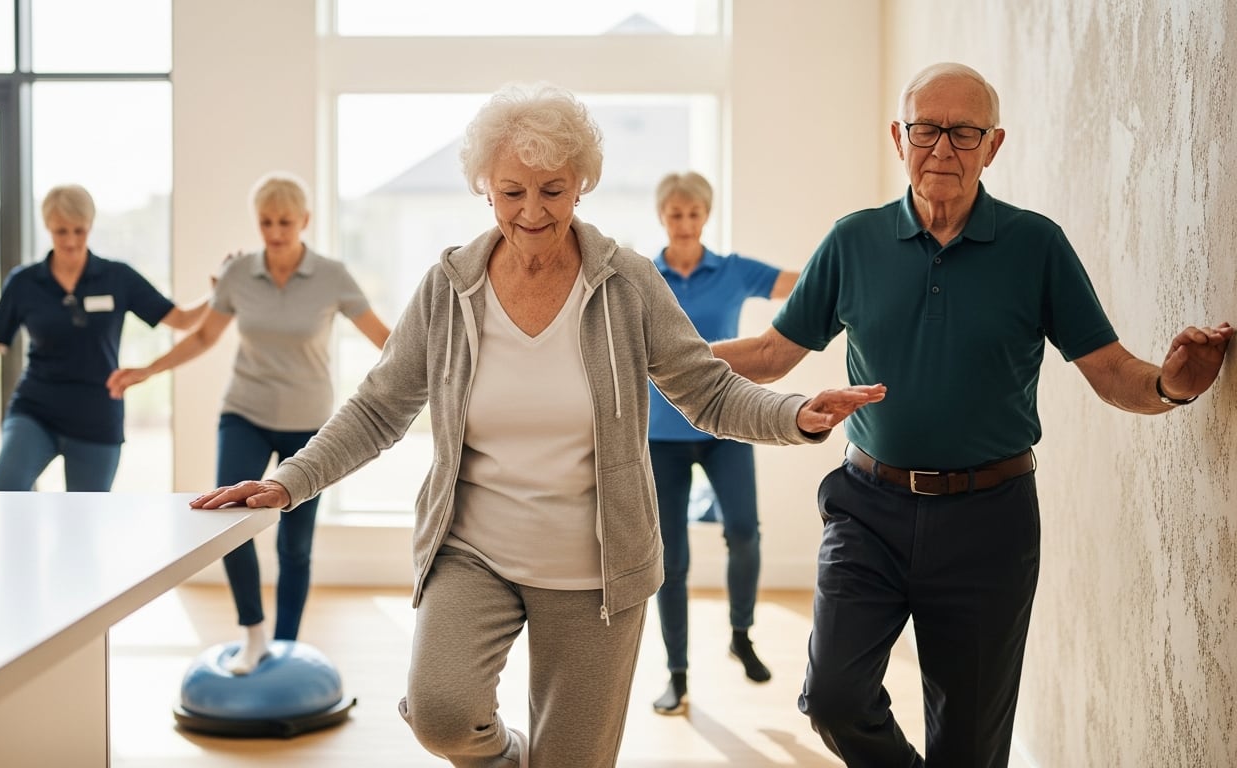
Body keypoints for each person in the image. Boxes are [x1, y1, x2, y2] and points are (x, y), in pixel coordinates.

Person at [191, 83, 886, 768]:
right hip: (473, 552)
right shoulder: (448, 288)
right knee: (439, 711)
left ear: (580, 185)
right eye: (512, 191)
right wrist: (288, 482)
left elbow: (704, 388)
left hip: (598, 571)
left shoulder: (626, 283)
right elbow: (379, 407)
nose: (531, 210)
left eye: (552, 189)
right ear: (485, 189)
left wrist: (794, 412)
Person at [712, 62, 1233, 768]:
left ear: (994, 145)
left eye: (965, 133)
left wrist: (1172, 386)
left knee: (969, 748)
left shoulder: (1035, 246)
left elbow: (1111, 370)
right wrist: (664, 353)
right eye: (927, 130)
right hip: (868, 509)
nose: (943, 150)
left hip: (991, 524)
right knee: (833, 697)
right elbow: (775, 353)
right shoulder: (853, 242)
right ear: (899, 137)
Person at [107, 171, 390, 674]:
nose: (276, 232)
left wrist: (439, 371)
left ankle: (285, 646)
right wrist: (147, 371)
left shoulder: (332, 276)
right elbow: (202, 338)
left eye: (286, 222)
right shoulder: (239, 274)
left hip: (310, 426)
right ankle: (254, 634)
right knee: (228, 523)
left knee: (294, 544)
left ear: (304, 221)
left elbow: (384, 340)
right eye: (266, 222)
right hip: (246, 413)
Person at [0, 184, 209, 492]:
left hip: (97, 416)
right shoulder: (24, 283)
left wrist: (220, 293)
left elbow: (181, 320)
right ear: (48, 227)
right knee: (3, 500)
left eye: (80, 230)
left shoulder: (118, 277)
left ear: (90, 225)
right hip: (36, 410)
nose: (71, 241)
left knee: (83, 526)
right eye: (61, 231)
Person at [645, 170, 801, 716]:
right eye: (675, 214)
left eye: (693, 214)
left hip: (725, 424)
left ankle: (741, 633)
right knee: (672, 560)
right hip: (660, 435)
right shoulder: (644, 277)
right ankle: (677, 674)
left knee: (744, 531)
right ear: (662, 217)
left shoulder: (733, 272)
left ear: (705, 215)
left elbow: (804, 284)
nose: (685, 224)